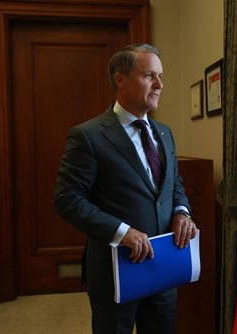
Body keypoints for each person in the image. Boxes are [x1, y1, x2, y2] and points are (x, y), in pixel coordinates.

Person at [53, 43, 197, 334]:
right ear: (120, 79)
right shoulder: (88, 136)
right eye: (149, 76)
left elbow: (173, 185)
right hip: (116, 270)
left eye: (160, 76)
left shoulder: (165, 133)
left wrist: (182, 211)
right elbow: (67, 200)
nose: (159, 85)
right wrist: (122, 232)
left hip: (165, 266)